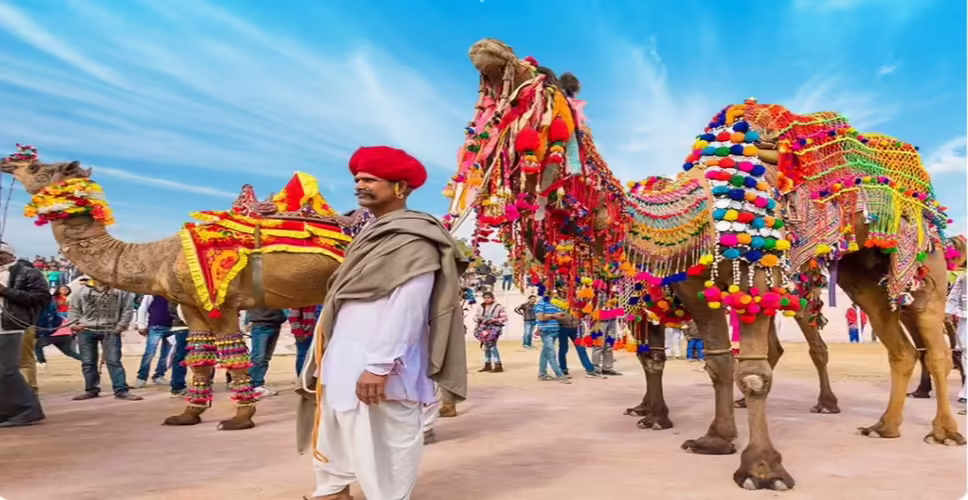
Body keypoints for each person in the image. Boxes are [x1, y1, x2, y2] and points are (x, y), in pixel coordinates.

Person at [296, 145, 467, 500]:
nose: (360, 185)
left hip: (383, 367)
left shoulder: (414, 239)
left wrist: (378, 365)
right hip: (342, 361)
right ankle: (333, 492)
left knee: (385, 451)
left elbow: (408, 308)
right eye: (358, 179)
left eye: (370, 179)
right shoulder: (369, 236)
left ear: (400, 187)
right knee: (336, 439)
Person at [0, 241, 49, 426]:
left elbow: (42, 298)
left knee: (8, 370)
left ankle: (29, 409)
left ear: (9, 255)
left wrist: (6, 292)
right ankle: (8, 411)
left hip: (14, 325)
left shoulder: (27, 272)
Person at [69, 279, 142, 401]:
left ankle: (121, 390)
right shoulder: (80, 292)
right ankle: (91, 389)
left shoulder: (121, 292)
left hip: (111, 330)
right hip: (86, 330)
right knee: (88, 362)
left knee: (113, 361)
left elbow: (127, 310)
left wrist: (120, 327)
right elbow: (73, 309)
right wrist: (74, 324)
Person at [244, 307, 287, 399]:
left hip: (275, 323)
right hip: (261, 324)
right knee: (259, 356)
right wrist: (247, 322)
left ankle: (258, 384)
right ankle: (254, 385)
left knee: (266, 357)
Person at [134, 295, 176, 387]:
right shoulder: (153, 292)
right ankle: (141, 377)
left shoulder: (173, 293)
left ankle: (159, 375)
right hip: (156, 327)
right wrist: (141, 325)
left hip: (172, 327)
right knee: (149, 353)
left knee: (167, 354)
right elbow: (143, 308)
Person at [533, 289, 570, 383]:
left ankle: (542, 374)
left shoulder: (555, 304)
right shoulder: (541, 304)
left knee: (545, 353)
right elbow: (541, 317)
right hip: (545, 332)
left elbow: (564, 316)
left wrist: (549, 315)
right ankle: (560, 375)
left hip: (554, 331)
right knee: (551, 353)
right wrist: (554, 315)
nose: (555, 294)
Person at [34, 292, 81, 365]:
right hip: (65, 332)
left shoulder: (46, 309)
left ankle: (41, 362)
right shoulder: (55, 310)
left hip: (54, 332)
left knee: (38, 346)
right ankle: (86, 360)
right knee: (68, 352)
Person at [558, 309, 602, 378]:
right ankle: (563, 369)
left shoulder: (578, 299)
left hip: (576, 328)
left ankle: (590, 370)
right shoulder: (557, 300)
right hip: (562, 327)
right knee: (563, 349)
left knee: (581, 349)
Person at [947, 272, 967, 412]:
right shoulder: (964, 278)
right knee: (966, 359)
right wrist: (947, 312)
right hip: (966, 324)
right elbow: (953, 297)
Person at [474, 291, 507, 373]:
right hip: (483, 329)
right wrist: (478, 319)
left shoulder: (499, 307)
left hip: (494, 329)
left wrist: (493, 320)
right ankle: (487, 364)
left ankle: (498, 365)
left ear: (492, 298)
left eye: (488, 298)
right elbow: (476, 316)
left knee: (492, 346)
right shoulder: (481, 307)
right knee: (486, 347)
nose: (487, 300)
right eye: (485, 298)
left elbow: (504, 318)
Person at [290, 305, 321, 375]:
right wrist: (299, 333)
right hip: (306, 333)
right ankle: (301, 380)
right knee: (303, 357)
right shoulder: (303, 297)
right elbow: (293, 317)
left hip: (320, 334)